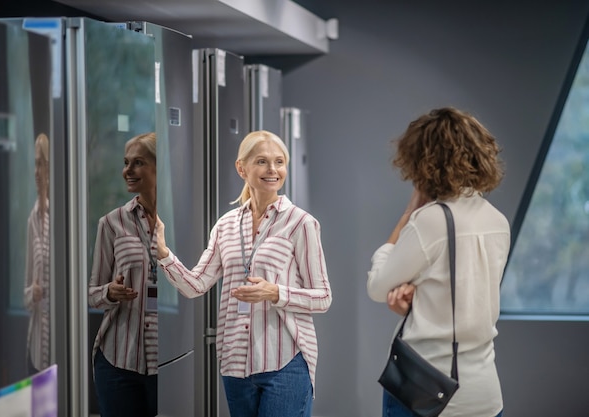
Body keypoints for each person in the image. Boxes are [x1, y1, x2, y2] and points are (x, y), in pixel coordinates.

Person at [157, 130, 332, 417]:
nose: (272, 170)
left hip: (285, 362)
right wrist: (164, 252)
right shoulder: (225, 225)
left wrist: (274, 292)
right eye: (262, 161)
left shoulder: (301, 223)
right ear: (242, 168)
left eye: (279, 162)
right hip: (235, 363)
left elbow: (323, 297)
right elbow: (196, 284)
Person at [367, 107, 510, 417]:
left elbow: (378, 287)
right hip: (485, 393)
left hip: (427, 392)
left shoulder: (430, 220)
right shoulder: (497, 221)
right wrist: (419, 297)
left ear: (423, 162)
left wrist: (409, 211)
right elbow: (466, 295)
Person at [88, 132, 158, 417]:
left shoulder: (180, 222)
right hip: (118, 361)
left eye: (138, 162)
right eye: (126, 163)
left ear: (158, 167)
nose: (127, 171)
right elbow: (92, 293)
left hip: (168, 363)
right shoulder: (111, 223)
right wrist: (109, 293)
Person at [24, 133, 51, 373]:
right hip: (37, 350)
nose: (36, 171)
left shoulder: (61, 219)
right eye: (35, 163)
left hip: (59, 345)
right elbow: (25, 294)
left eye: (40, 164)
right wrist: (32, 293)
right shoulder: (33, 219)